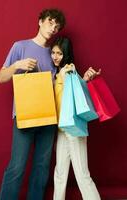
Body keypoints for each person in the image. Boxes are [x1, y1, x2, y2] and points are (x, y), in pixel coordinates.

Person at [0, 9, 66, 200]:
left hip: (48, 118)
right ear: (40, 21)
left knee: (41, 168)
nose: (53, 28)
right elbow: (1, 77)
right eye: (51, 23)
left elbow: (59, 84)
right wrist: (18, 65)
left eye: (57, 27)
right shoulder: (20, 46)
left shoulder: (55, 54)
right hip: (25, 116)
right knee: (17, 166)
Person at [50, 37, 101, 200]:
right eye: (53, 52)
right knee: (59, 173)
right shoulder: (58, 72)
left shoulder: (68, 69)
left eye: (59, 53)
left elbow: (76, 95)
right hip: (62, 129)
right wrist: (84, 79)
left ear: (66, 54)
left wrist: (82, 78)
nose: (55, 56)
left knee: (82, 174)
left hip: (74, 129)